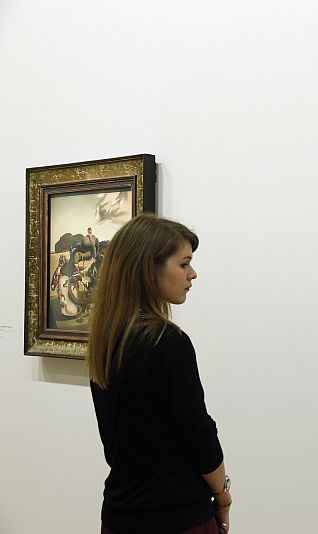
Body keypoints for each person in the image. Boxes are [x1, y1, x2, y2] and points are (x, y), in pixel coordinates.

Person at [87, 214, 232, 534]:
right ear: (149, 268)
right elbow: (198, 434)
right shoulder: (167, 342)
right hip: (177, 517)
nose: (192, 274)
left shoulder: (106, 340)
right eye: (184, 264)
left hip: (120, 515)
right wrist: (223, 496)